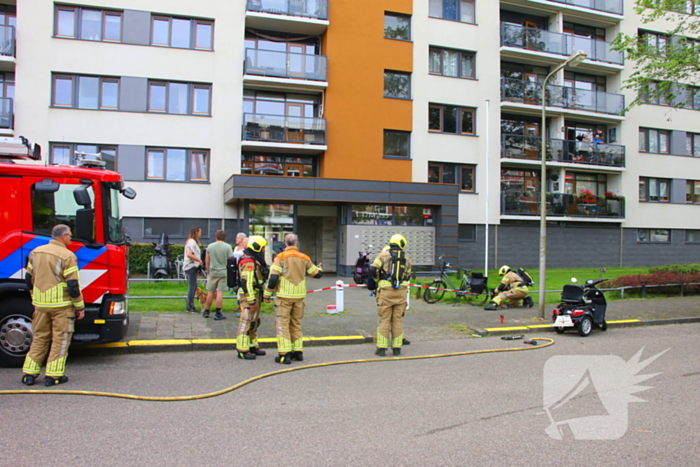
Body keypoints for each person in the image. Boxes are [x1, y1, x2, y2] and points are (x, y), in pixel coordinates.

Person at [21, 224, 85, 386]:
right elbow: (72, 285)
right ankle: (53, 375)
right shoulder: (67, 256)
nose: (70, 238)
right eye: (70, 235)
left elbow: (29, 280)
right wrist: (79, 307)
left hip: (40, 305)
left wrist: (34, 297)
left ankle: (29, 374)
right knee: (60, 339)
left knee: (39, 338)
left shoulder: (35, 252)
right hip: (61, 306)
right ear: (63, 237)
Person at [263, 234, 323, 364]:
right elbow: (317, 274)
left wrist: (267, 294)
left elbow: (273, 278)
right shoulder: (304, 257)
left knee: (282, 324)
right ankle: (298, 352)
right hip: (299, 297)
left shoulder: (280, 257)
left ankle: (284, 354)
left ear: (285, 244)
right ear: (296, 244)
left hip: (284, 297)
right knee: (296, 324)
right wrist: (319, 268)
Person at [366, 234, 412, 356]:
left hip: (386, 291)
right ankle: (397, 348)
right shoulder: (406, 259)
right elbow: (408, 275)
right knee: (397, 320)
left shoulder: (383, 255)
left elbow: (372, 269)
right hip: (401, 292)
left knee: (384, 320)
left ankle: (381, 348)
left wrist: (377, 281)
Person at [235, 235, 269, 360]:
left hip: (256, 293)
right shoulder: (248, 261)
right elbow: (246, 283)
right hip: (249, 295)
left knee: (254, 321)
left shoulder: (255, 259)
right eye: (263, 247)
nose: (264, 250)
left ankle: (252, 345)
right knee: (246, 321)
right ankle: (242, 349)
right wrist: (251, 301)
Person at [203, 230, 234, 320]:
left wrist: (208, 269)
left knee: (210, 292)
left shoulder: (210, 246)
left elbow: (207, 260)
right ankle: (218, 312)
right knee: (220, 292)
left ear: (216, 237)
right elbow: (230, 259)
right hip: (223, 272)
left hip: (213, 271)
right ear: (224, 237)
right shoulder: (228, 247)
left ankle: (206, 311)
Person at [184, 226, 204, 313]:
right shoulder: (192, 242)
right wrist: (199, 260)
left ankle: (190, 304)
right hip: (191, 266)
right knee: (192, 287)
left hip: (191, 266)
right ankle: (190, 306)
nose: (200, 233)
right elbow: (189, 254)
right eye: (200, 231)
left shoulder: (190, 241)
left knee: (193, 287)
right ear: (196, 232)